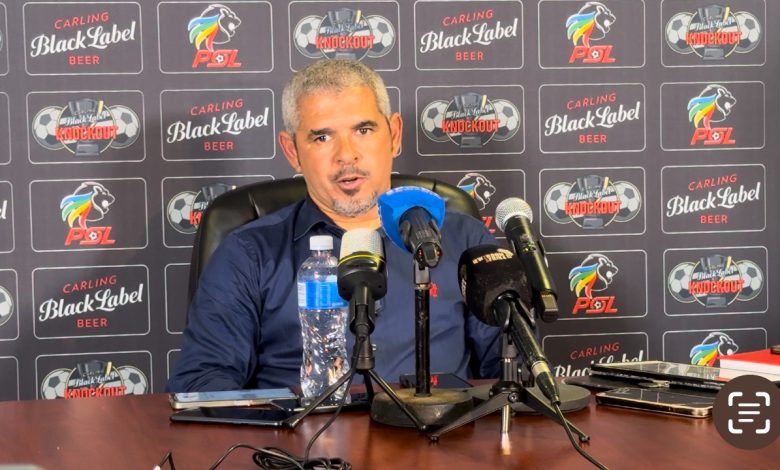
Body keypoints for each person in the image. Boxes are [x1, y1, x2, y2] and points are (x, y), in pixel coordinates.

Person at [166, 59, 500, 392]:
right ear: (292, 150)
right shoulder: (248, 254)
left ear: (394, 135)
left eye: (363, 130)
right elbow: (202, 383)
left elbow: (512, 370)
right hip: (302, 441)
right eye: (322, 137)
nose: (346, 155)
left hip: (439, 438)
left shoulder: (465, 241)